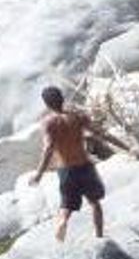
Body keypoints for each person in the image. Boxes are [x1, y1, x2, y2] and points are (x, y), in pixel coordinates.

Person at [29, 86, 129, 243]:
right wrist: (125, 147)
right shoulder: (78, 117)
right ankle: (99, 236)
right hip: (85, 166)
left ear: (47, 104)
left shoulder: (49, 123)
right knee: (95, 203)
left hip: (66, 169)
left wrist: (39, 174)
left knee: (66, 206)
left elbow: (48, 149)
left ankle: (62, 224)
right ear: (62, 98)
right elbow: (101, 133)